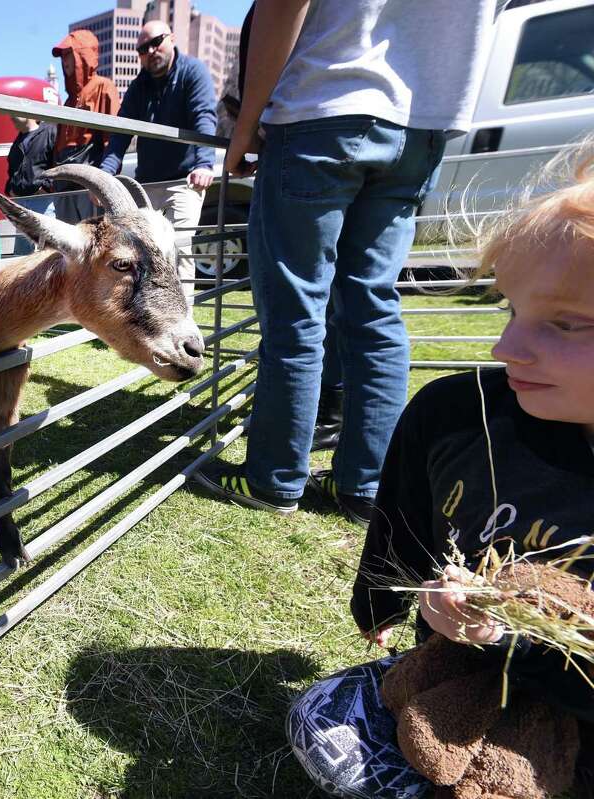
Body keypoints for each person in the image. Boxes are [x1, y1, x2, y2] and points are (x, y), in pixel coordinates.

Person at [287, 145, 594, 798]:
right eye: (512, 312)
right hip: (464, 683)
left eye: (567, 324)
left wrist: (524, 641)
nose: (505, 348)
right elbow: (403, 515)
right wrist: (396, 599)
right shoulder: (459, 414)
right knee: (322, 719)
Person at [194, 0, 495, 523]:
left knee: (296, 310)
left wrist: (246, 121)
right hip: (421, 122)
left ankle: (273, 478)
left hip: (324, 107)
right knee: (374, 303)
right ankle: (365, 485)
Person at [99, 20, 218, 248]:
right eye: (143, 49)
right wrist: (105, 176)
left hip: (183, 183)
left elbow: (203, 116)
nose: (151, 51)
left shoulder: (193, 72)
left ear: (171, 38)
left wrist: (204, 163)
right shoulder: (137, 87)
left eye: (156, 42)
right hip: (147, 185)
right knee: (143, 253)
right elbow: (120, 134)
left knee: (179, 249)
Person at [51, 29, 119, 222]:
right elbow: (58, 145)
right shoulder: (68, 100)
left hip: (90, 184)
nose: (64, 61)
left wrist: (103, 183)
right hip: (65, 184)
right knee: (67, 244)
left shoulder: (103, 87)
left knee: (94, 242)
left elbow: (113, 138)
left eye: (68, 54)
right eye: (62, 56)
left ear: (82, 55)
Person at [5, 116, 57, 255]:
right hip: (21, 202)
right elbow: (12, 169)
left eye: (16, 112)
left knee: (46, 252)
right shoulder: (18, 140)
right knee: (22, 255)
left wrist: (46, 187)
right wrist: (10, 188)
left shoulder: (49, 132)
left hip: (43, 201)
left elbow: (57, 163)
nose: (11, 116)